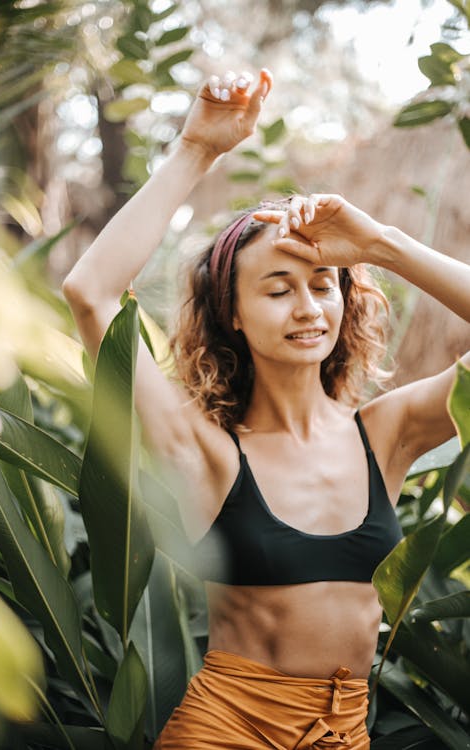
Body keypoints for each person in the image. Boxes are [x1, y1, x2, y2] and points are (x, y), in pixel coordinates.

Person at [62, 67, 470, 749]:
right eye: (278, 289)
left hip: (346, 734)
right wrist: (197, 148)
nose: (309, 309)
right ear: (234, 314)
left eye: (323, 285)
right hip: (227, 733)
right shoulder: (209, 452)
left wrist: (379, 245)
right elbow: (92, 294)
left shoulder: (388, 434)